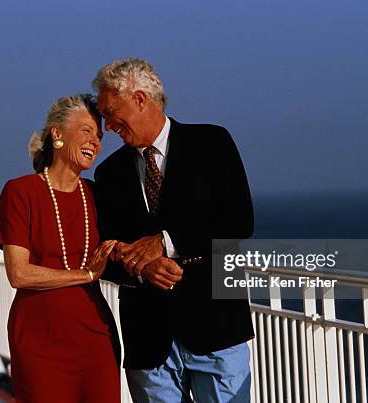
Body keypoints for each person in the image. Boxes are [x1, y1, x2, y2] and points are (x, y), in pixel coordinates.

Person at [93, 59, 255, 402]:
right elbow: (105, 253)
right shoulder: (109, 174)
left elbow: (239, 220)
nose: (106, 126)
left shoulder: (211, 142)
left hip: (216, 328)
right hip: (148, 339)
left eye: (110, 112)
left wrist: (164, 243)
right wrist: (143, 266)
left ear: (140, 99)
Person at [0, 94, 121, 402]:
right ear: (57, 134)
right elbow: (19, 274)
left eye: (100, 136)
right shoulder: (21, 191)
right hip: (40, 341)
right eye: (87, 130)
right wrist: (87, 274)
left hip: (95, 336)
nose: (96, 142)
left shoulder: (96, 194)